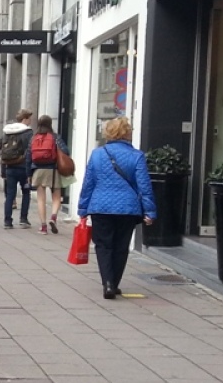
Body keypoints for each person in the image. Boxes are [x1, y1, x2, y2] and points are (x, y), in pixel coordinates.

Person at [76, 116, 157, 300]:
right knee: (121, 246)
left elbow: (88, 183)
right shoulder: (136, 156)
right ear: (127, 133)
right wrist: (150, 211)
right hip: (127, 209)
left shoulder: (97, 154)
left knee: (103, 245)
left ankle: (108, 283)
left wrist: (83, 209)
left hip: (100, 207)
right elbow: (144, 186)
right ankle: (115, 282)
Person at [28, 115, 69, 234]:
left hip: (38, 170)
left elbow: (28, 157)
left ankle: (43, 226)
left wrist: (28, 174)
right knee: (56, 197)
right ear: (50, 124)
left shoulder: (34, 138)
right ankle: (54, 217)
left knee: (41, 199)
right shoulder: (55, 137)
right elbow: (66, 151)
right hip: (53, 170)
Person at [0, 108, 33, 229]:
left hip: (9, 168)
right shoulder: (28, 133)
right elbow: (31, 150)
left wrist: (7, 159)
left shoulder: (7, 131)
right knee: (26, 193)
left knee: (10, 194)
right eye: (29, 118)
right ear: (25, 119)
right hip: (23, 167)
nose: (30, 121)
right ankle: (23, 219)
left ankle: (7, 221)